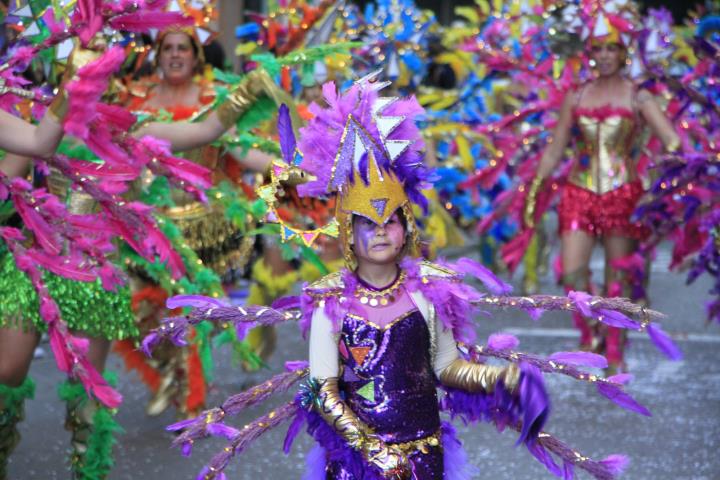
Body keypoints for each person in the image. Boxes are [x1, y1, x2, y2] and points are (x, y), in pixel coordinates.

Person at [523, 22, 680, 372]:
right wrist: (534, 189)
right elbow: (555, 149)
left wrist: (653, 178)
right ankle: (591, 329)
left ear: (624, 53)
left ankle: (614, 348)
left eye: (612, 48)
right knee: (570, 272)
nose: (605, 56)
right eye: (598, 49)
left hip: (624, 194)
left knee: (618, 276)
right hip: (578, 191)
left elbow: (671, 141)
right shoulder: (576, 95)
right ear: (589, 54)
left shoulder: (638, 95)